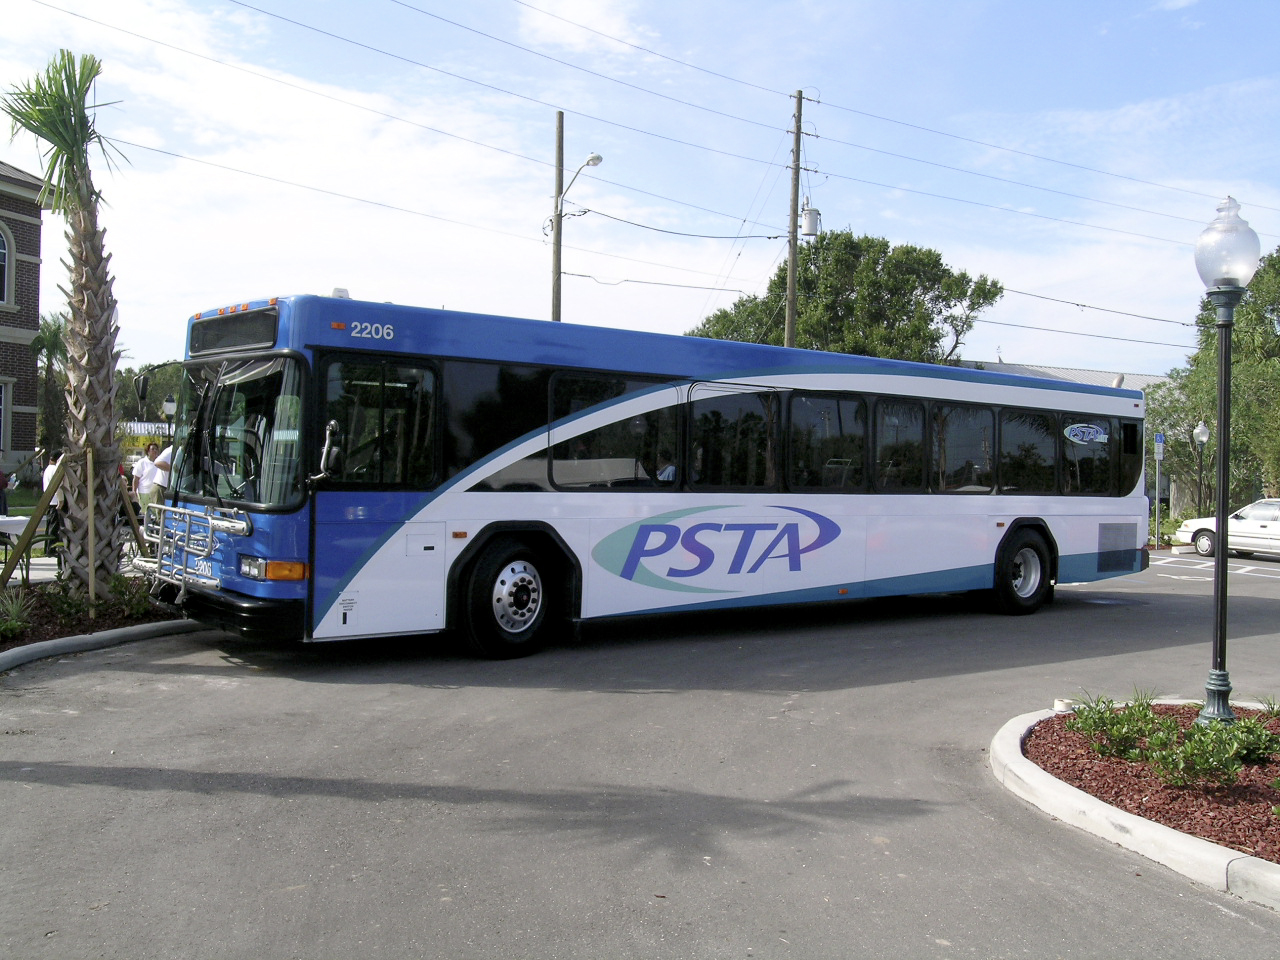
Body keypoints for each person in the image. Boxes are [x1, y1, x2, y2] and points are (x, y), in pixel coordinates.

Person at [132, 443, 161, 511]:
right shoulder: (142, 462)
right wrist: (134, 491)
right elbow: (136, 479)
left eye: (156, 449)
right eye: (152, 449)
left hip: (156, 493)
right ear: (148, 451)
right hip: (144, 492)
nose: (155, 451)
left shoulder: (160, 462)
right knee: (146, 513)